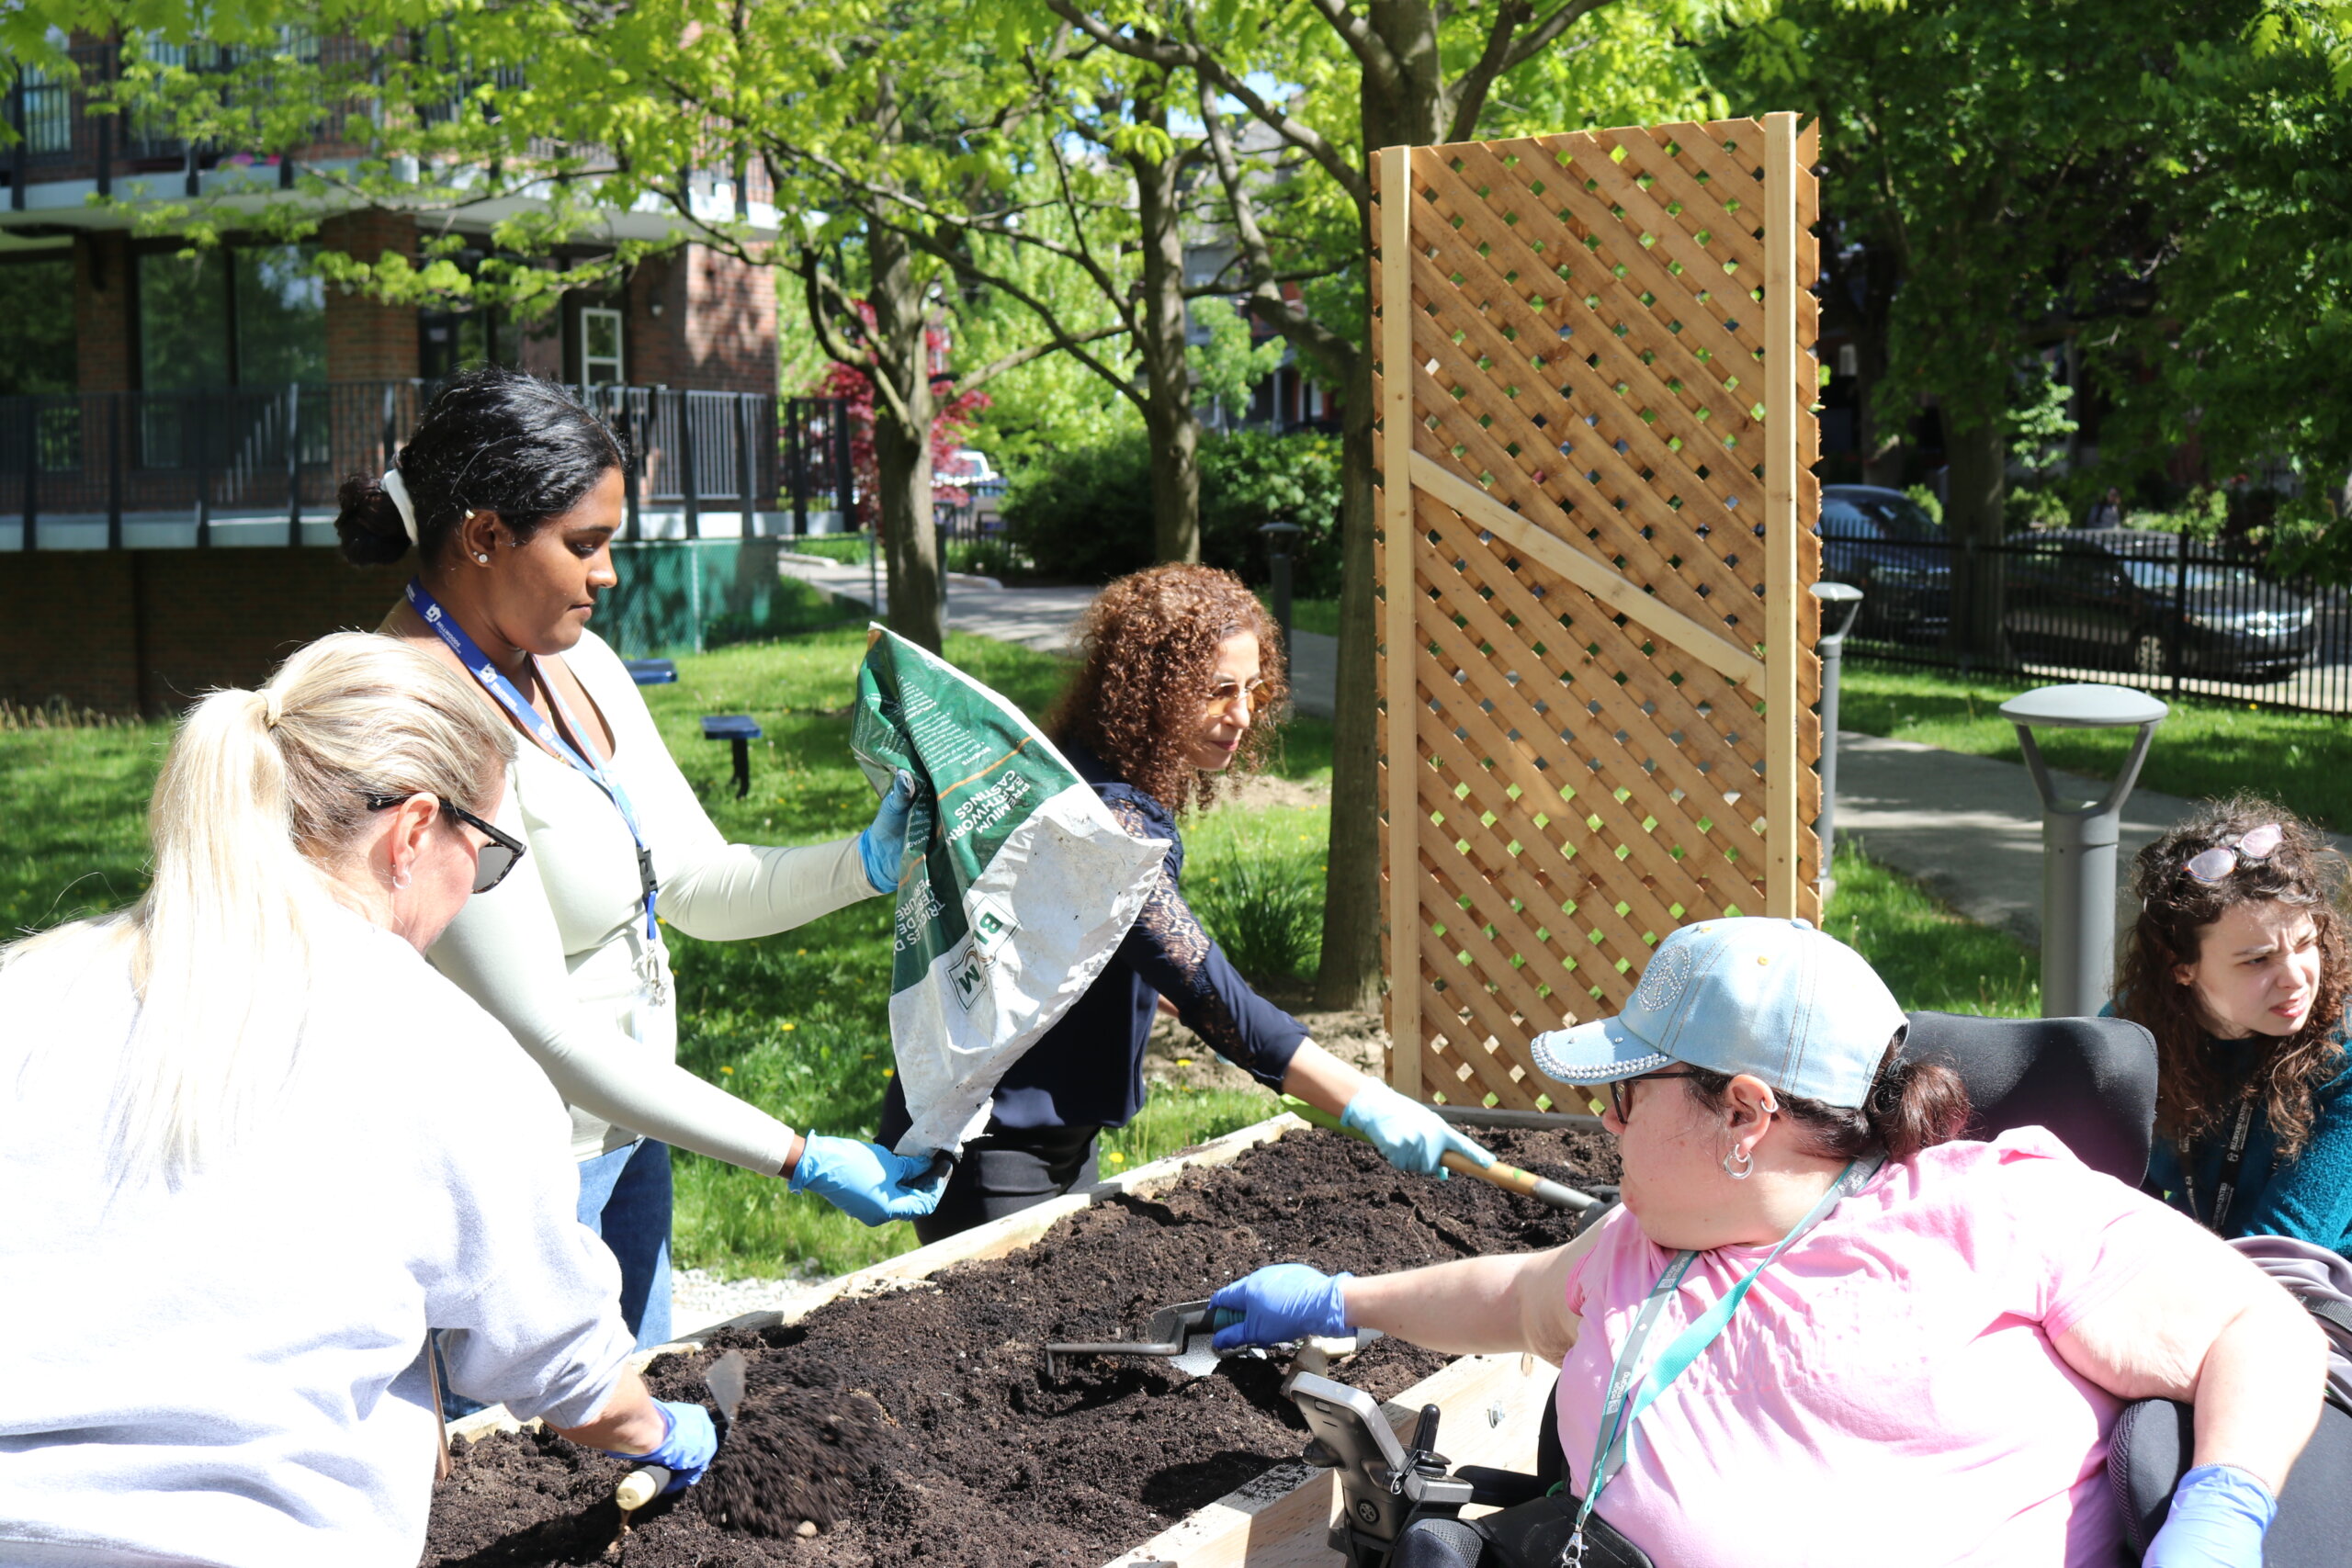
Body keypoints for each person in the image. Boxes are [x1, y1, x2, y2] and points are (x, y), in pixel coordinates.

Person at [1211, 917, 2325, 1568]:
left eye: (1624, 1095)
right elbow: (1510, 1299)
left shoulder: (1989, 1209)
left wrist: (2220, 1511)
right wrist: (1334, 1300)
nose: (1606, 1125)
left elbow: (2260, 1330)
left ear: (1744, 1112)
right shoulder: (1642, 1243)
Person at [0, 636, 719, 1566]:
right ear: (414, 831)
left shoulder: (30, 991)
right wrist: (663, 1431)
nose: (473, 893)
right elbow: (566, 1373)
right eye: (486, 859)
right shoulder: (442, 1048)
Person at [337, 367, 937, 1351]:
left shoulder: (574, 661)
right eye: (584, 544)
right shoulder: (405, 720)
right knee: (530, 1440)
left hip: (631, 1136)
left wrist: (867, 863)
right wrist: (797, 1155)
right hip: (512, 1181)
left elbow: (695, 884)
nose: (608, 574)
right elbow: (548, 1033)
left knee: (644, 1416)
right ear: (483, 536)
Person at [877, 564, 1494, 1242]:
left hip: (1051, 1139)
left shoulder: (1087, 771)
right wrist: (1367, 1100)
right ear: (1151, 690)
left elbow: (1099, 951)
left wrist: (1203, 1009)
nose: (1243, 715)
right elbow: (1207, 992)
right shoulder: (1107, 828)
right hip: (987, 1149)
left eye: (1253, 690)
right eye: (1218, 691)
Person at [2111, 798, 2352, 1256]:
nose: (2296, 978)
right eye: (2257, 960)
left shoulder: (2344, 1051)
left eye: (2306, 943)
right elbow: (2109, 1195)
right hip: (2192, 1264)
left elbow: (2286, 1245)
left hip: (2317, 1283)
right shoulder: (2132, 1034)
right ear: (2181, 966)